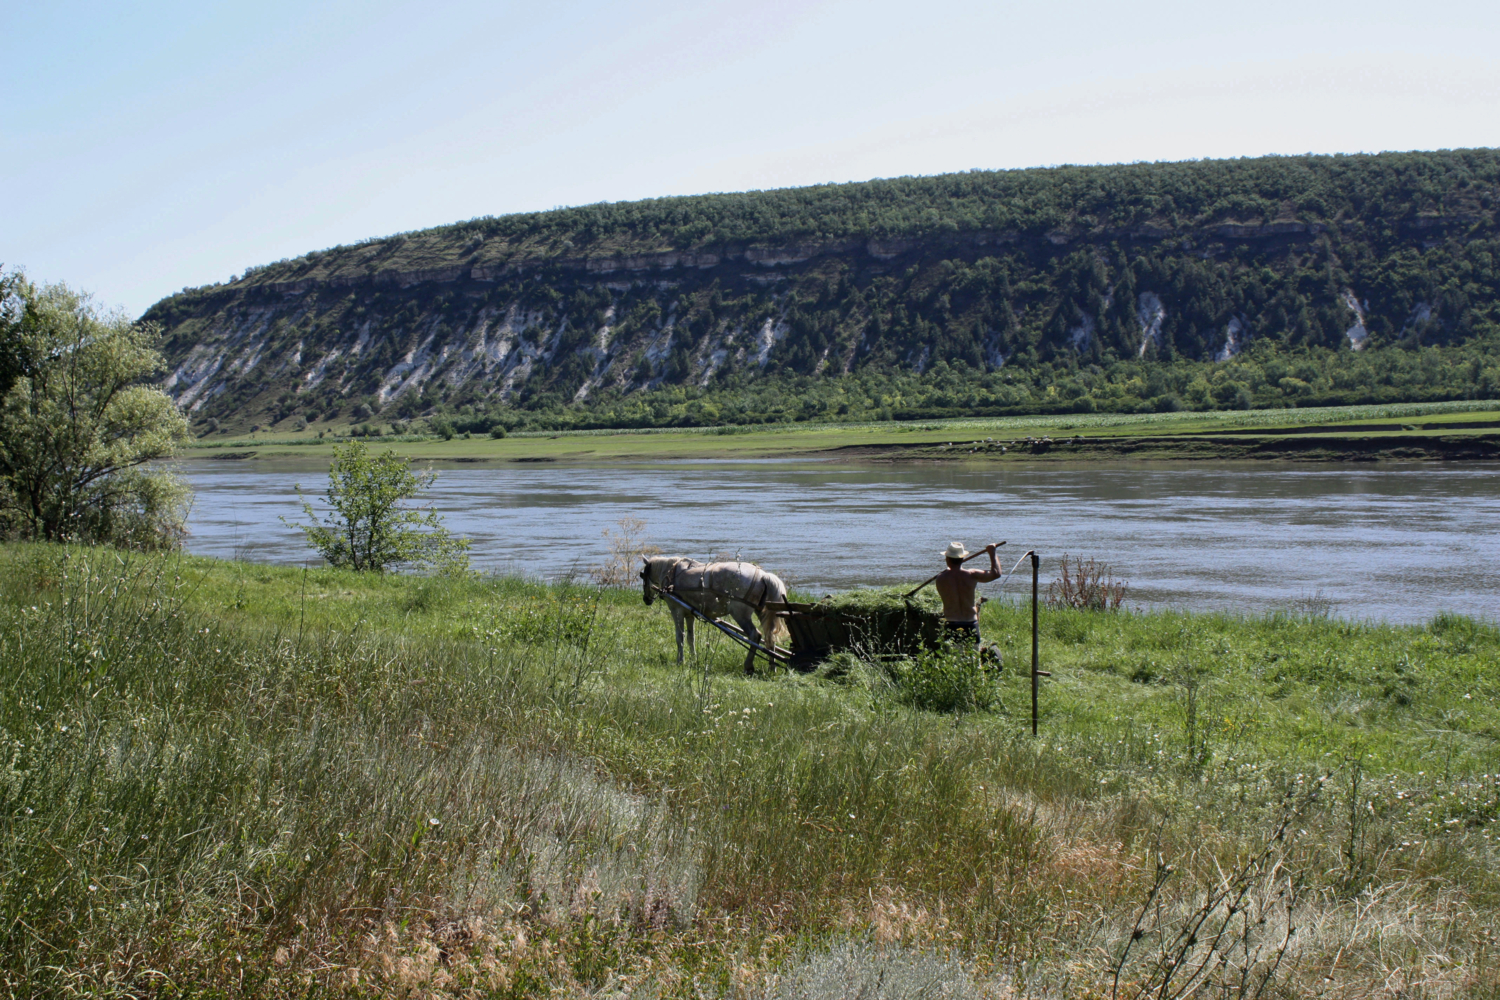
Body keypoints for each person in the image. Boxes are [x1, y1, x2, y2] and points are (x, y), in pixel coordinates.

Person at [933, 541, 999, 643]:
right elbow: (996, 573)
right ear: (963, 558)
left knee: (954, 658)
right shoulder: (972, 575)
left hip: (951, 624)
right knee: (972, 657)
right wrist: (992, 552)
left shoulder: (941, 578)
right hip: (971, 623)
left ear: (947, 558)